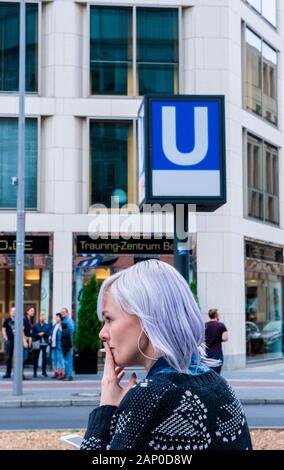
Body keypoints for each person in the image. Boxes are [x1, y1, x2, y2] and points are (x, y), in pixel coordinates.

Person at [81, 260, 252, 451]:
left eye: (108, 319)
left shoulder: (149, 397)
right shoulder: (222, 387)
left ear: (147, 317)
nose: (102, 333)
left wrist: (106, 409)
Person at [205, 308, 229, 374]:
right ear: (216, 315)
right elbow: (226, 338)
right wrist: (218, 339)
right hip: (217, 352)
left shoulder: (205, 325)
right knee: (217, 373)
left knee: (208, 372)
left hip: (207, 352)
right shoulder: (221, 325)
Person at [32, 312, 50, 378]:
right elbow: (32, 334)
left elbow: (49, 334)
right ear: (39, 317)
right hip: (37, 343)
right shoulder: (35, 325)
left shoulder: (47, 325)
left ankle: (44, 372)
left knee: (44, 358)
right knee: (35, 358)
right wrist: (38, 334)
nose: (43, 317)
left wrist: (44, 334)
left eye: (44, 316)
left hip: (45, 343)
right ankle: (35, 372)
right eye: (41, 316)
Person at [61, 307, 75, 381]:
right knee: (65, 360)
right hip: (64, 343)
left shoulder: (69, 321)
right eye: (61, 312)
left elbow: (71, 331)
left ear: (67, 313)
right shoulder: (64, 321)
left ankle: (69, 375)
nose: (62, 313)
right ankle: (66, 374)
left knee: (68, 359)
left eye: (64, 312)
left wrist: (62, 331)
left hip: (68, 343)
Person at [2, 307, 16, 378]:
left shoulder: (19, 320)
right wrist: (6, 339)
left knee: (17, 357)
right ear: (10, 312)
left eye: (15, 311)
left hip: (17, 342)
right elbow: (3, 330)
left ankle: (17, 373)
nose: (14, 312)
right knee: (8, 357)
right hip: (9, 341)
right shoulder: (6, 321)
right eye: (13, 311)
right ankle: (8, 373)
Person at [50, 313, 65, 379]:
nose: (56, 318)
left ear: (60, 318)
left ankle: (61, 373)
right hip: (53, 344)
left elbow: (64, 334)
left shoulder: (62, 325)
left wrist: (61, 329)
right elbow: (52, 333)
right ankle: (56, 372)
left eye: (57, 317)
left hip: (59, 344)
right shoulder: (54, 325)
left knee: (60, 358)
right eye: (55, 317)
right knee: (54, 358)